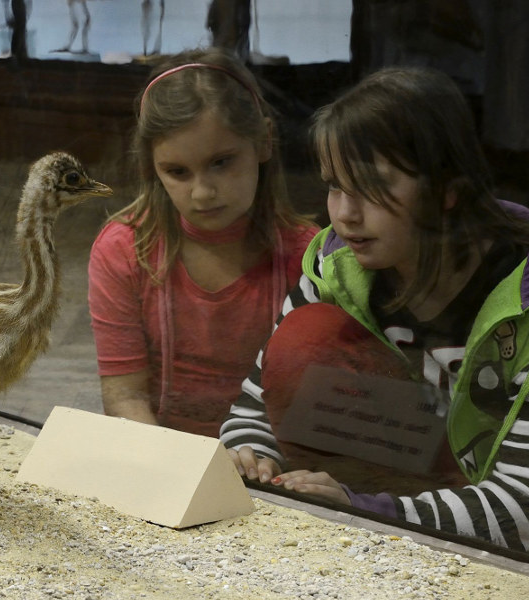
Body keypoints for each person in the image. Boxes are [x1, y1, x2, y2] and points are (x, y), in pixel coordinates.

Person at [220, 65, 529, 550]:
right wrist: (250, 456)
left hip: (494, 526)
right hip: (410, 490)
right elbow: (252, 408)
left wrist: (365, 511)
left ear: (449, 191)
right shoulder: (337, 263)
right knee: (306, 336)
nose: (344, 214)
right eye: (335, 185)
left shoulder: (522, 299)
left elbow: (522, 509)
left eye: (373, 188)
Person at [88, 47, 317, 437]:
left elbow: (313, 406)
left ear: (264, 141)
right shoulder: (124, 251)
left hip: (271, 459)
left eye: (221, 162)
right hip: (163, 457)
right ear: (151, 166)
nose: (203, 193)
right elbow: (126, 398)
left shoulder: (310, 257)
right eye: (177, 171)